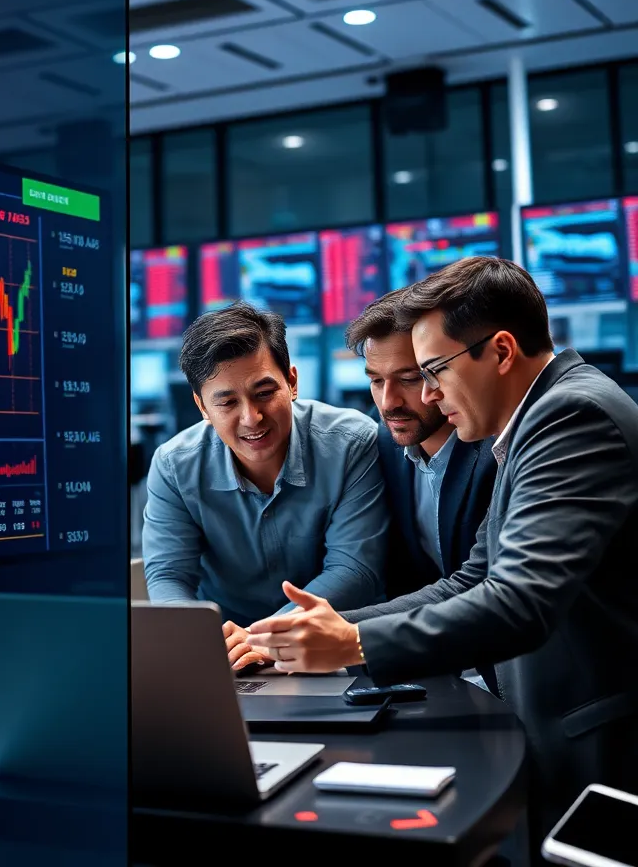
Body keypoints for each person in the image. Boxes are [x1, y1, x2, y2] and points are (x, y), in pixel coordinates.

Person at [245, 257, 638, 842]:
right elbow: (472, 578)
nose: (426, 393)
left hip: (601, 738)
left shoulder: (569, 416)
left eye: (434, 370)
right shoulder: (528, 422)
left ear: (501, 351)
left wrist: (352, 643)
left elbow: (518, 603)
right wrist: (317, 628)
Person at [142, 301, 387, 671]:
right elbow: (169, 576)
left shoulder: (353, 442)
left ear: (291, 382)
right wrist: (198, 639)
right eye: (226, 402)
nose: (251, 418)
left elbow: (355, 569)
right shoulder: (174, 466)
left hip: (338, 652)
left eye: (263, 393)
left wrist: (263, 637)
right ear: (202, 406)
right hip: (229, 658)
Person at [346, 291, 497, 599]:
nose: (389, 403)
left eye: (410, 379)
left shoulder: (497, 450)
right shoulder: (382, 441)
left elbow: (482, 587)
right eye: (376, 381)